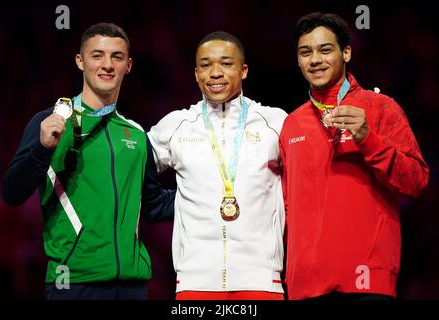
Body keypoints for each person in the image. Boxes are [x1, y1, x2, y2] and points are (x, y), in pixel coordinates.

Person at [1, 22, 175, 300]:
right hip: (72, 283)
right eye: (97, 55)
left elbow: (153, 204)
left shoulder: (136, 133)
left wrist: (207, 194)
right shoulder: (50, 123)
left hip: (132, 287)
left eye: (116, 57)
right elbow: (12, 193)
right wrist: (42, 149)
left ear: (128, 65)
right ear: (80, 61)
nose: (107, 64)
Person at [279, 12, 429, 300]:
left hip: (367, 280)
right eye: (305, 52)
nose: (315, 60)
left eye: (325, 50)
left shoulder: (380, 108)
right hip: (305, 287)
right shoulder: (292, 124)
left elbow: (417, 181)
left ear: (346, 52)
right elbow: (287, 207)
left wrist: (367, 139)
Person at [148, 31, 287, 300]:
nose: (215, 73)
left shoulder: (275, 123)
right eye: (206, 65)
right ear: (195, 73)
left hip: (261, 280)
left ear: (243, 70)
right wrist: (173, 204)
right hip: (194, 282)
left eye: (226, 63)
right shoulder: (175, 125)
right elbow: (130, 170)